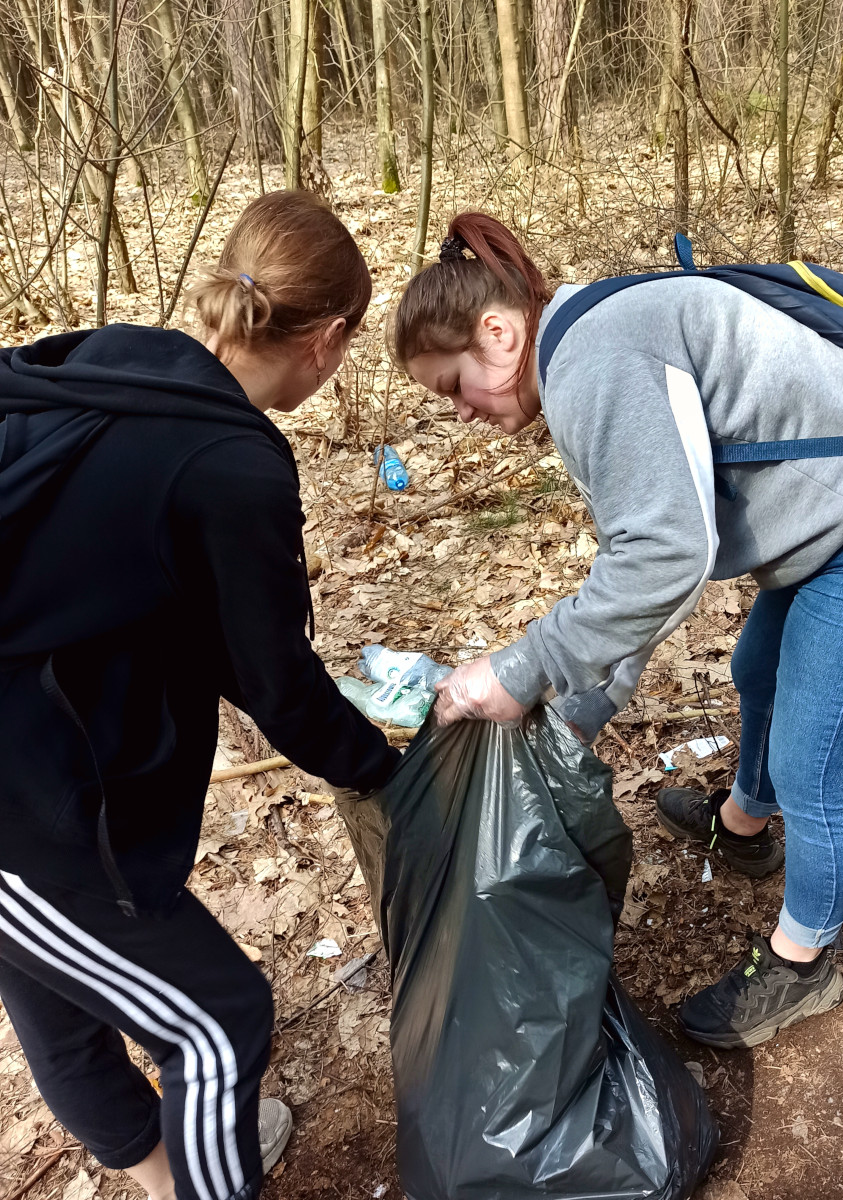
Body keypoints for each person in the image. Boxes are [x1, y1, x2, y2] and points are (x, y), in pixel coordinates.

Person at [391, 212, 843, 1051]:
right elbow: (644, 563)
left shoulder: (593, 361)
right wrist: (577, 704)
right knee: (758, 672)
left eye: (453, 386)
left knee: (816, 765)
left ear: (497, 334)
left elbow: (664, 559)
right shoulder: (588, 336)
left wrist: (523, 669)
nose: (459, 412)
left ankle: (802, 967)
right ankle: (744, 831)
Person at [0, 190, 399, 1200]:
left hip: (41, 750)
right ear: (331, 340)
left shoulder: (119, 362)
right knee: (218, 1021)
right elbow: (274, 683)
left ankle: (162, 1173)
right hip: (22, 808)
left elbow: (192, 622)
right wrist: (390, 776)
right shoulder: (229, 464)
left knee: (63, 1005)